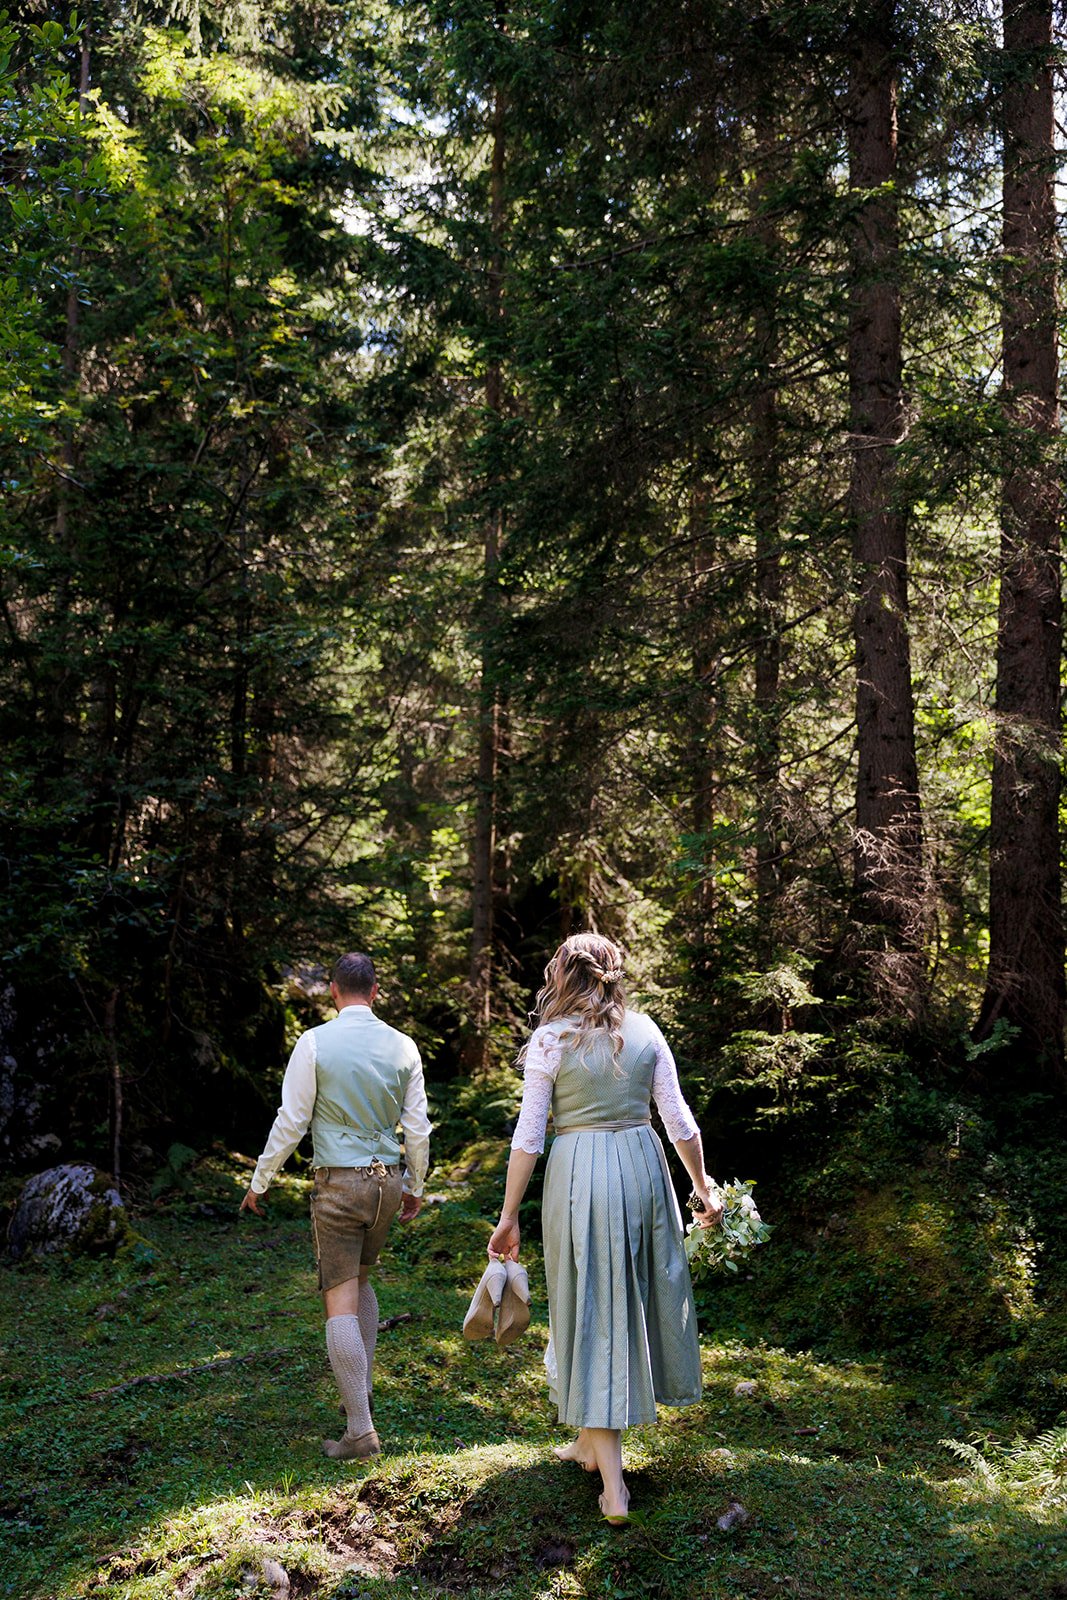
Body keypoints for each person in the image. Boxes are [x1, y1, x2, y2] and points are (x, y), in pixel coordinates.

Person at [487, 932, 721, 1524]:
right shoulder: (645, 1031)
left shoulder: (551, 1039)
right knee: (625, 1301)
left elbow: (529, 1137)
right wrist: (702, 1187)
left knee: (591, 1307)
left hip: (580, 1176)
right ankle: (587, 1444)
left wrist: (509, 1215)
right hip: (643, 1168)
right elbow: (679, 1120)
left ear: (563, 976)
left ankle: (614, 1490)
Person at [240, 952, 431, 1460]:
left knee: (339, 1299)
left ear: (332, 991)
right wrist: (415, 1184)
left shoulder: (315, 1042)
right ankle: (358, 1392)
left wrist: (261, 1179)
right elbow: (417, 1128)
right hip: (387, 1183)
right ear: (374, 991)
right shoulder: (404, 1045)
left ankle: (360, 1433)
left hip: (340, 1184)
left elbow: (292, 1119)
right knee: (362, 1280)